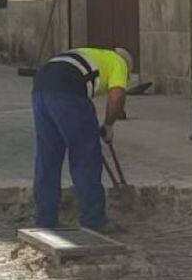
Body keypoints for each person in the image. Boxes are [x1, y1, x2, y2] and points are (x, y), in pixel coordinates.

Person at [31, 47, 132, 231]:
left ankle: (45, 218)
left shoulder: (94, 54)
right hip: (68, 89)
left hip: (41, 87)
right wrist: (109, 125)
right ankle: (94, 218)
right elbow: (117, 98)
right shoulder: (119, 63)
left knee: (48, 155)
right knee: (86, 154)